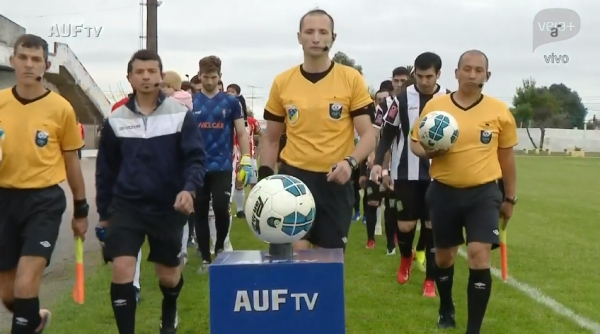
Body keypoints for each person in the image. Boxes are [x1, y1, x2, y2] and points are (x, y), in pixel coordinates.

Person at [96, 49, 206, 334]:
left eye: (151, 71)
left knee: (168, 276)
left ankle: (169, 309)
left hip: (167, 207)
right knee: (122, 269)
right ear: (130, 78)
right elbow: (105, 171)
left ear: (160, 75)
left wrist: (189, 190)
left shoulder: (180, 116)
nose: (145, 76)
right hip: (126, 207)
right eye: (139, 72)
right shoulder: (116, 119)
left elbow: (195, 159)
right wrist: (104, 214)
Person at [409, 50, 517, 332]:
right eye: (466, 69)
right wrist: (429, 149)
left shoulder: (499, 112)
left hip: (483, 194)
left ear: (487, 76)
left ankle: (474, 328)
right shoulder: (436, 106)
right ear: (455, 73)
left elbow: (507, 159)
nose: (472, 75)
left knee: (479, 254)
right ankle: (446, 307)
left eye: (478, 70)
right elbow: (415, 143)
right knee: (444, 258)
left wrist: (510, 198)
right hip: (443, 191)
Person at [260, 9, 377, 250]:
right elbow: (271, 139)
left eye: (323, 32)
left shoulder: (351, 78)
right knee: (293, 259)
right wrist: (263, 181)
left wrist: (350, 163)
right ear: (299, 36)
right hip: (293, 180)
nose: (316, 38)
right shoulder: (283, 81)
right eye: (309, 31)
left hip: (335, 181)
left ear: (333, 37)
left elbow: (369, 134)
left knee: (328, 267)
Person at [0, 34, 88, 334]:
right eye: (23, 57)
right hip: (4, 201)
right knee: (9, 293)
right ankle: (34, 321)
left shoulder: (61, 108)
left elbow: (72, 161)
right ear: (12, 61)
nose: (28, 64)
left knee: (27, 283)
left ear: (46, 65)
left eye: (36, 59)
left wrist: (81, 210)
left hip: (44, 202)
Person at [373, 52, 450, 297]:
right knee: (405, 225)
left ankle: (429, 279)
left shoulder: (449, 98)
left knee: (431, 225)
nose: (424, 81)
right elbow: (387, 133)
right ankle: (406, 257)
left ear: (438, 74)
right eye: (420, 75)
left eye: (429, 76)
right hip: (406, 171)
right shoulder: (402, 98)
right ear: (414, 73)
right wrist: (378, 164)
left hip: (439, 173)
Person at [191, 56, 252, 272]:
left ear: (220, 77)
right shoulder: (191, 102)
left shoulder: (231, 102)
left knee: (220, 207)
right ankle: (206, 258)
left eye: (213, 77)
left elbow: (242, 133)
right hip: (197, 166)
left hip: (222, 164)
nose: (209, 81)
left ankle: (219, 247)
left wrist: (246, 158)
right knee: (198, 211)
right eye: (205, 77)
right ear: (199, 76)